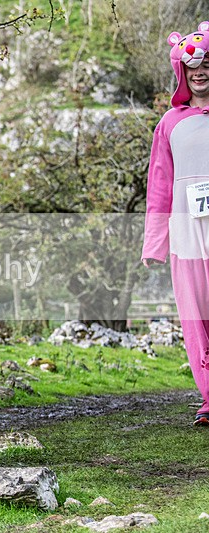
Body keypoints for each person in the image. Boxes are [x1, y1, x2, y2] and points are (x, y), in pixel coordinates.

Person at [142, 21, 209, 427]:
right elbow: (160, 186)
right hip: (188, 236)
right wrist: (155, 243)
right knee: (195, 318)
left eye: (207, 64)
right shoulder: (170, 122)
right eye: (192, 66)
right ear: (181, 72)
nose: (200, 72)